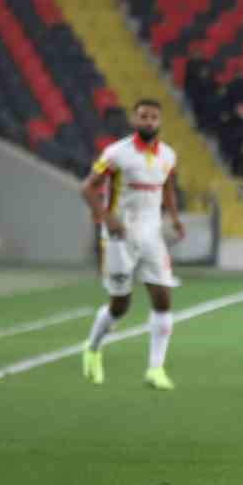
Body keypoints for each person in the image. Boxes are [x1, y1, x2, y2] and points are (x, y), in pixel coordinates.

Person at [78, 99, 185, 390]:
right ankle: (93, 348)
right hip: (119, 236)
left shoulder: (168, 155)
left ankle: (156, 369)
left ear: (160, 122)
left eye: (153, 117)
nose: (148, 121)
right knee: (120, 305)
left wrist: (174, 219)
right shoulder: (116, 153)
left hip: (152, 235)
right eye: (143, 117)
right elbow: (87, 187)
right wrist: (105, 217)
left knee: (163, 298)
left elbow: (168, 186)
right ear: (134, 120)